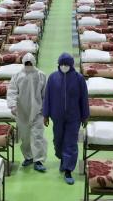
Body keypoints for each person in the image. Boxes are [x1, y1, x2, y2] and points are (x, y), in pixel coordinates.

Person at [43, 52, 89, 185]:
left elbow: (84, 99)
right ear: (58, 64)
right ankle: (63, 158)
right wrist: (45, 115)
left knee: (70, 142)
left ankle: (68, 169)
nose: (64, 66)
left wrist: (85, 116)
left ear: (71, 65)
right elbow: (47, 98)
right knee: (58, 141)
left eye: (66, 64)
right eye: (62, 64)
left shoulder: (78, 78)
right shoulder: (52, 78)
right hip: (57, 116)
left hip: (74, 117)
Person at [7, 53, 47, 172]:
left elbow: (45, 94)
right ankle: (28, 157)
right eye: (27, 63)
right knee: (25, 137)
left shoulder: (41, 75)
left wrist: (46, 110)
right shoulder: (17, 75)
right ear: (23, 63)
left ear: (34, 63)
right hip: (22, 111)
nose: (29, 65)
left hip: (38, 111)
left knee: (38, 136)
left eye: (30, 63)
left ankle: (38, 160)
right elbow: (12, 91)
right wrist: (12, 105)